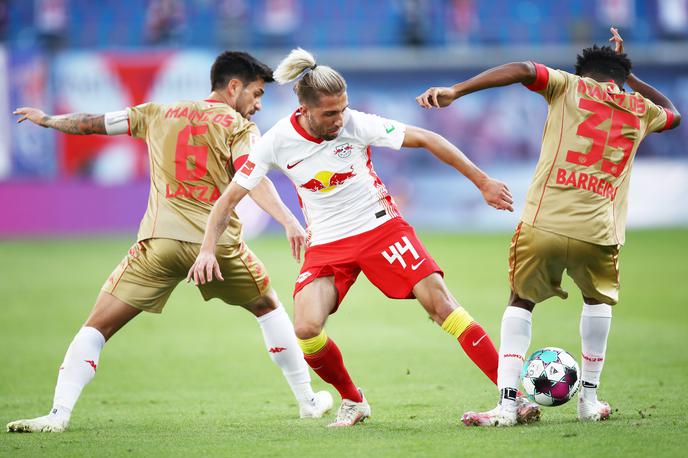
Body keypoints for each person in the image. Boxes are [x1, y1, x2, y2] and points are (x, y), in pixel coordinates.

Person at [187, 48, 541, 427]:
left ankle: (513, 397)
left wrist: (482, 181)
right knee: (305, 329)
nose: (340, 119)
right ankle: (354, 401)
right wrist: (207, 248)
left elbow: (427, 138)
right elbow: (229, 199)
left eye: (343, 109)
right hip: (326, 243)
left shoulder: (355, 123)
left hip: (380, 229)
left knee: (441, 305)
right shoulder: (275, 141)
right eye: (330, 114)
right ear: (304, 110)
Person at [7, 51, 333, 433]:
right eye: (257, 94)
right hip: (216, 248)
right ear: (233, 87)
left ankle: (58, 414)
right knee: (268, 306)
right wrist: (289, 221)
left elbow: (94, 122)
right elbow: (253, 176)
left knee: (97, 327)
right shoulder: (239, 127)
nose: (258, 105)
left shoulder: (158, 112)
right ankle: (309, 401)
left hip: (158, 242)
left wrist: (47, 120)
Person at [416, 27, 681, 426]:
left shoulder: (568, 86)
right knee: (597, 303)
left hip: (544, 222)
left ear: (584, 72)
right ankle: (589, 402)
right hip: (599, 231)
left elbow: (524, 68)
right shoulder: (640, 108)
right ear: (620, 79)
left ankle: (507, 406)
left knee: (520, 301)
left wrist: (457, 90)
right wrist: (632, 76)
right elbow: (674, 114)